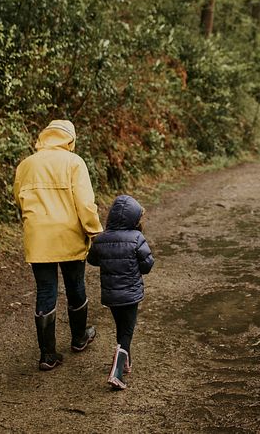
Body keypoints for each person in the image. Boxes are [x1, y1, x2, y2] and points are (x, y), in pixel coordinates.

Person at [13, 119, 103, 371]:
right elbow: (85, 202)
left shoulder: (26, 164)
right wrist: (95, 231)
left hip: (38, 237)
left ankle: (47, 355)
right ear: (70, 139)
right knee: (75, 285)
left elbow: (19, 199)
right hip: (69, 235)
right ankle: (79, 338)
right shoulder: (74, 162)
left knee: (45, 290)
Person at [87, 194, 154, 390]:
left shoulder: (101, 239)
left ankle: (125, 363)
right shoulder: (136, 238)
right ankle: (116, 373)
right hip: (130, 295)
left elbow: (92, 260)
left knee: (121, 327)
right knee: (127, 330)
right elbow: (147, 264)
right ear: (133, 218)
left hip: (111, 295)